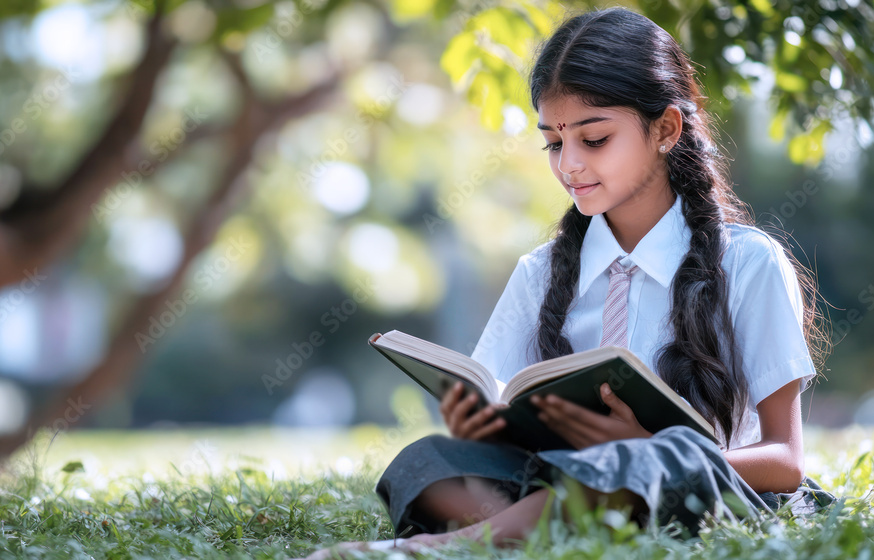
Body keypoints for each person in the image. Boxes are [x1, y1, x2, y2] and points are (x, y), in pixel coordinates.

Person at [301, 6, 836, 559]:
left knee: (646, 461)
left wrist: (641, 450)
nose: (570, 166)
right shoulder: (542, 271)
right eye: (554, 144)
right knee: (427, 461)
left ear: (666, 129)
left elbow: (785, 462)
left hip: (699, 493)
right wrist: (477, 426)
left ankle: (449, 547)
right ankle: (554, 524)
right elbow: (502, 402)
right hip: (561, 483)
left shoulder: (748, 263)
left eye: (595, 139)